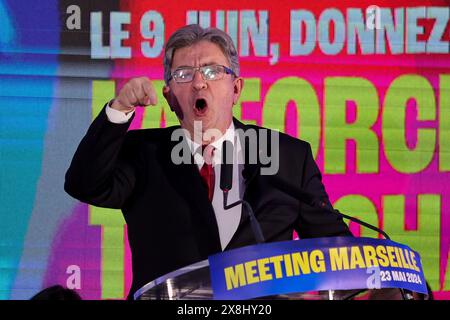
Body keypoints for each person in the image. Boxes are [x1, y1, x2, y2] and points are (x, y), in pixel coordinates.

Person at [65, 24, 352, 300]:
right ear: (169, 97)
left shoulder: (287, 157)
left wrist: (378, 284)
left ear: (236, 89)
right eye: (184, 74)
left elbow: (339, 251)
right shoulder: (144, 153)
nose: (199, 82)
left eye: (213, 72)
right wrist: (120, 109)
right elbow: (84, 184)